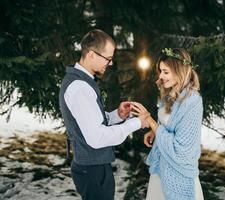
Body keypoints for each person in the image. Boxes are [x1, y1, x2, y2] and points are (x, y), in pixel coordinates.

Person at [59, 29, 149, 200]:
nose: (110, 63)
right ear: (92, 54)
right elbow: (97, 137)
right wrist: (136, 123)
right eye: (108, 58)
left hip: (94, 168)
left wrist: (118, 115)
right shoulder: (80, 88)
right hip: (93, 170)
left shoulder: (82, 83)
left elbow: (92, 122)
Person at [131, 48, 204, 200]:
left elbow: (181, 150)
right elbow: (166, 125)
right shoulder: (168, 96)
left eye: (166, 72)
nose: (161, 76)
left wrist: (150, 120)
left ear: (180, 71)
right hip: (160, 169)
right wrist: (154, 131)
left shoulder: (192, 101)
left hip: (178, 175)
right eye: (160, 71)